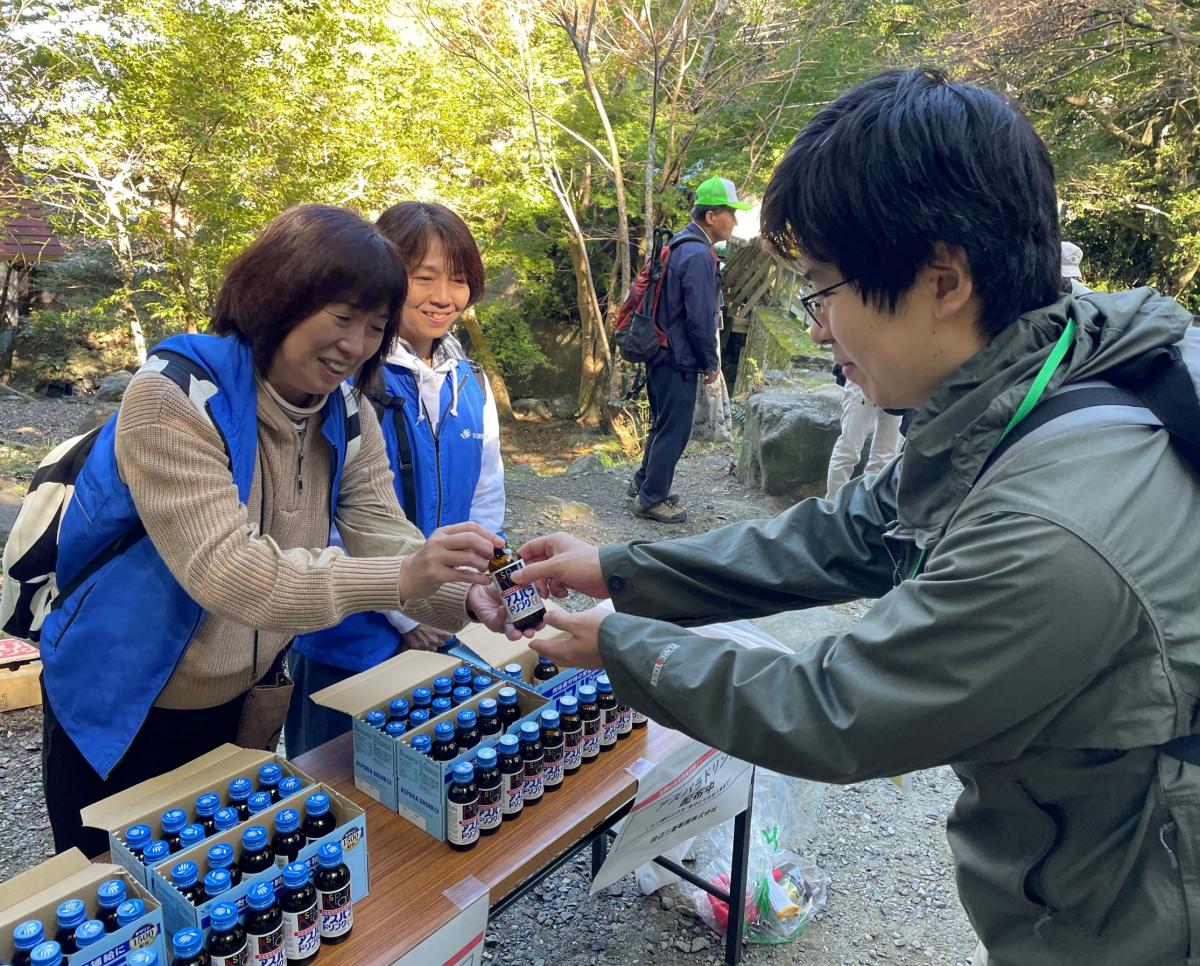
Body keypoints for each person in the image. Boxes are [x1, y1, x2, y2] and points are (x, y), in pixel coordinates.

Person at [511, 69, 1200, 965]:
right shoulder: (1053, 370)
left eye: (822, 291)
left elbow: (835, 708)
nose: (820, 325)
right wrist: (622, 570)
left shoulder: (1054, 530)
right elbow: (858, 527)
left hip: (1139, 904)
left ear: (942, 279)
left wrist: (617, 644)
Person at [38, 205, 513, 856]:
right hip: (121, 705)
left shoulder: (345, 408)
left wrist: (466, 597)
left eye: (375, 327)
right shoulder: (174, 396)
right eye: (342, 317)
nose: (356, 344)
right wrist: (405, 577)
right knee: (114, 902)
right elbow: (230, 571)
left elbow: (383, 531)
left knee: (221, 882)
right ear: (280, 292)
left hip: (242, 705)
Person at [285, 201, 504, 757]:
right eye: (422, 276)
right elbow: (321, 514)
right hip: (351, 633)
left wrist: (466, 588)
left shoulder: (468, 384)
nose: (443, 296)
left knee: (425, 781)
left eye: (457, 280)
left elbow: (485, 498)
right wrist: (405, 611)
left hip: (444, 620)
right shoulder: (345, 379)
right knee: (337, 782)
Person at [628, 176, 751, 523]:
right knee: (674, 429)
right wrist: (711, 361)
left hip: (659, 350)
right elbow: (699, 317)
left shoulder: (681, 244)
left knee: (662, 424)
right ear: (711, 216)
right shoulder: (698, 254)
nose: (735, 220)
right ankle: (651, 499)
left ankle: (644, 484)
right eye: (731, 213)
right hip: (678, 356)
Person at [823, 363, 902, 499]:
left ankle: (869, 505)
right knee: (849, 449)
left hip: (898, 380)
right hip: (862, 375)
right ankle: (833, 505)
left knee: (885, 457)